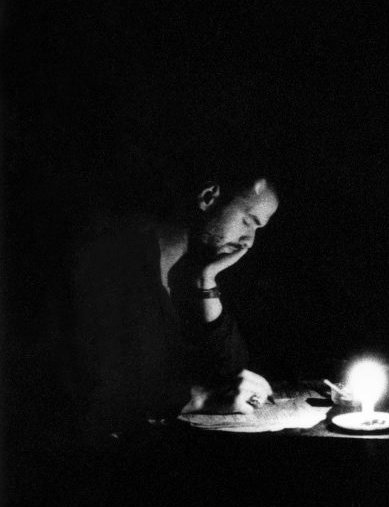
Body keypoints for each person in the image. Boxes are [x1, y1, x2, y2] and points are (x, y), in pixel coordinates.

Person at [63, 168, 280, 437]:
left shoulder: (187, 270)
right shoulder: (116, 258)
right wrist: (198, 399)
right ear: (208, 197)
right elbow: (92, 391)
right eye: (248, 221)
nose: (249, 242)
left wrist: (206, 281)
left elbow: (231, 375)